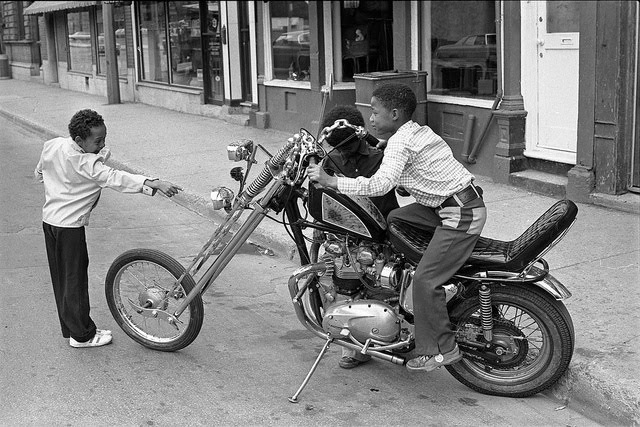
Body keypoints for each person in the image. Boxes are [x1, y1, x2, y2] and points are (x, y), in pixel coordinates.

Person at [308, 83, 487, 372]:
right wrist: (386, 145)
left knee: (426, 282)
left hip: (460, 213)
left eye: (375, 113)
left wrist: (332, 182)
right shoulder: (411, 132)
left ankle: (442, 349)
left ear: (394, 114)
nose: (372, 120)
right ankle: (396, 278)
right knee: (395, 221)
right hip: (445, 206)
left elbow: (379, 185)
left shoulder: (401, 143)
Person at [35, 109, 183, 349]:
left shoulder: (54, 144)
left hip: (50, 222)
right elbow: (116, 177)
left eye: (104, 138)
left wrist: (45, 175)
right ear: (80, 141)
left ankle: (75, 328)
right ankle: (82, 336)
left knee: (62, 280)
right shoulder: (87, 163)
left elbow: (41, 168)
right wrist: (152, 184)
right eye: (98, 141)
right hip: (69, 228)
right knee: (75, 281)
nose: (103, 144)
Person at [319, 104, 399, 369]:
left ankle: (379, 336)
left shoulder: (380, 157)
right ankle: (352, 345)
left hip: (381, 232)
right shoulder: (330, 161)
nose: (343, 152)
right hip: (345, 235)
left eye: (347, 147)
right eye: (338, 148)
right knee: (343, 290)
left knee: (378, 288)